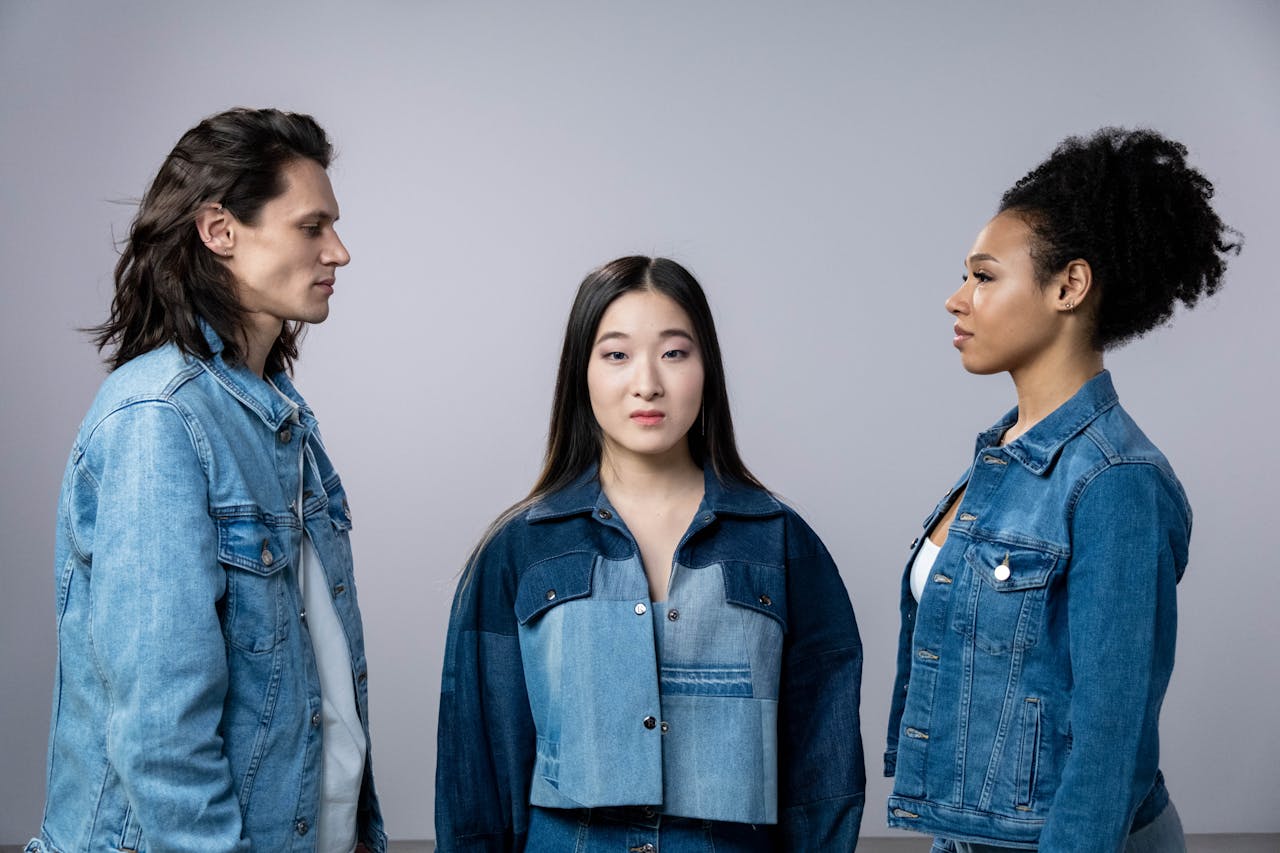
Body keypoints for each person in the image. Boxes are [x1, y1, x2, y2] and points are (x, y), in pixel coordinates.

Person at [29, 108, 385, 853]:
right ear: (220, 231)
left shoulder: (281, 418)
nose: (339, 252)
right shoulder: (159, 420)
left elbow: (316, 676)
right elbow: (163, 735)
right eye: (311, 227)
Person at [884, 128, 1240, 852]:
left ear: (1068, 286)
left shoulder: (1115, 481)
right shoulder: (1000, 460)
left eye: (984, 277)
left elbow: (1109, 742)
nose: (957, 299)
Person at [435, 256, 865, 851]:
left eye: (674, 353)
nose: (647, 383)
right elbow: (480, 770)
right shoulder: (519, 548)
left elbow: (824, 767)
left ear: (707, 367)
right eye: (617, 354)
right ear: (581, 372)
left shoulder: (780, 541)